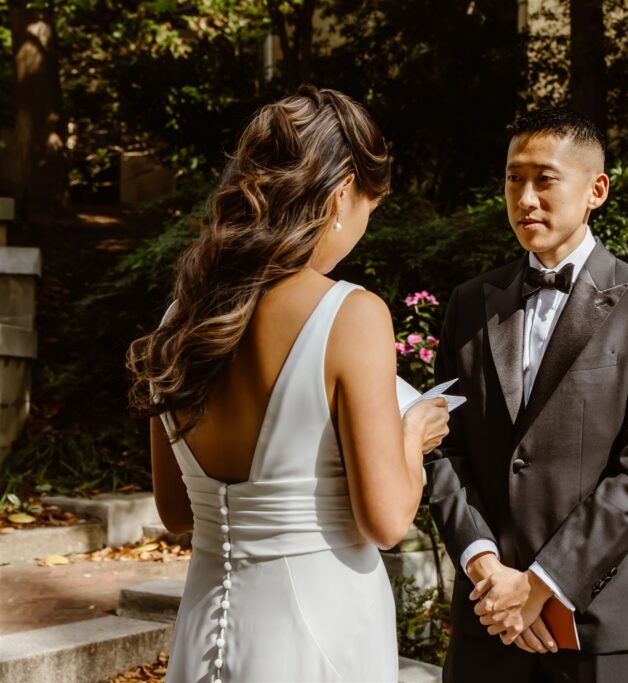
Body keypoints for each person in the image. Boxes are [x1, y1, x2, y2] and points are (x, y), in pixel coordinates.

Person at [127, 85, 449, 683]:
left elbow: (175, 511)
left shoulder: (179, 319)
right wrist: (413, 435)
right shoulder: (352, 314)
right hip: (322, 632)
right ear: (341, 194)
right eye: (370, 209)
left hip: (203, 633)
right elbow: (385, 523)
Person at [427, 107, 628, 683]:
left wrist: (541, 584)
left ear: (596, 190)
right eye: (513, 179)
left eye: (545, 179)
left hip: (601, 627)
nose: (525, 199)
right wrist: (485, 566)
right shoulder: (470, 303)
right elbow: (443, 446)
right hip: (488, 616)